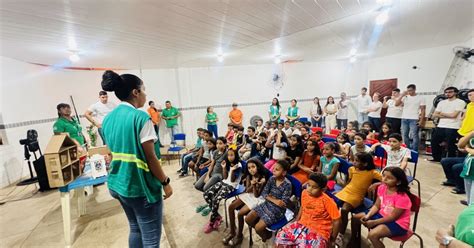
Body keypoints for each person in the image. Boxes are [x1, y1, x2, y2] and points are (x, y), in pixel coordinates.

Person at [100, 70, 172, 247]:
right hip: (139, 187)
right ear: (135, 92)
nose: (146, 95)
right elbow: (151, 158)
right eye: (144, 90)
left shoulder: (108, 118)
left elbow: (111, 151)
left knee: (135, 228)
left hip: (118, 183)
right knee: (150, 239)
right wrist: (165, 182)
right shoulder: (140, 118)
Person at [350, 167, 413, 248]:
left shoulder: (402, 198)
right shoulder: (382, 188)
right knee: (355, 218)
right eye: (383, 176)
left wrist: (374, 222)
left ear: (398, 182)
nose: (384, 179)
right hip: (382, 215)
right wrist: (368, 215)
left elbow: (393, 217)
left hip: (398, 223)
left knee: (373, 235)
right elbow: (376, 205)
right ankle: (354, 241)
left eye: (389, 178)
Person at [275, 172, 342, 248]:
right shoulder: (304, 193)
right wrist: (297, 221)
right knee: (280, 238)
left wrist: (333, 240)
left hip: (319, 231)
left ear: (323, 189)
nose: (309, 189)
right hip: (302, 224)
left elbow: (337, 220)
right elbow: (303, 207)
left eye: (314, 187)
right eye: (309, 185)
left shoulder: (328, 201)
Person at [334, 152, 382, 240]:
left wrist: (376, 184)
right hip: (347, 190)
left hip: (357, 195)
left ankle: (341, 233)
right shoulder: (352, 169)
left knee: (344, 210)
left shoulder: (372, 172)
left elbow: (385, 180)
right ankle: (334, 225)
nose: (353, 162)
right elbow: (349, 182)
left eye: (356, 161)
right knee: (333, 202)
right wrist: (341, 190)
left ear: (365, 163)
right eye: (354, 160)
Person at [245, 159, 293, 242]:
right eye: (274, 168)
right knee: (248, 219)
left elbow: (282, 203)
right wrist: (274, 199)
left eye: (277, 169)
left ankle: (266, 236)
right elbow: (264, 193)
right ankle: (264, 232)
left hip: (278, 210)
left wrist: (270, 197)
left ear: (284, 173)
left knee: (258, 228)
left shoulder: (287, 185)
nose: (273, 170)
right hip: (267, 204)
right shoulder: (272, 179)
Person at [224, 158, 267, 246]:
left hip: (257, 198)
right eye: (249, 168)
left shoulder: (262, 178)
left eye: (253, 167)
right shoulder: (248, 176)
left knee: (240, 213)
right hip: (248, 194)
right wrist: (253, 184)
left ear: (258, 167)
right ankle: (232, 232)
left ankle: (239, 235)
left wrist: (256, 185)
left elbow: (257, 195)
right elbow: (247, 190)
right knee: (231, 206)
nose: (251, 169)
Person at [202, 149, 242, 233]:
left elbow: (232, 180)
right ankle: (217, 215)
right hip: (224, 182)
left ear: (236, 155)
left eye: (232, 155)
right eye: (228, 155)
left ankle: (212, 222)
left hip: (232, 186)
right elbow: (224, 177)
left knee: (215, 199)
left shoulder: (238, 165)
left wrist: (233, 170)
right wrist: (224, 168)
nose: (230, 157)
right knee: (206, 194)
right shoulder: (227, 163)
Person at [431, 87, 466, 162]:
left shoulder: (460, 102)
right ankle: (437, 158)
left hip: (453, 126)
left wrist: (441, 113)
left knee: (451, 145)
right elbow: (434, 114)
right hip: (441, 125)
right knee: (434, 141)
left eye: (450, 92)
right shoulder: (441, 102)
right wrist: (448, 115)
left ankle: (450, 160)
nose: (448, 94)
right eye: (446, 92)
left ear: (455, 93)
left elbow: (454, 115)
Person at [395, 84, 426, 151]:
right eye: (408, 90)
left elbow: (423, 110)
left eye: (411, 90)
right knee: (404, 135)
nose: (409, 92)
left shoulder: (420, 98)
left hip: (414, 119)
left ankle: (415, 151)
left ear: (415, 89)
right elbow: (396, 104)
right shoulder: (405, 97)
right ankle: (407, 149)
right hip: (404, 118)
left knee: (414, 135)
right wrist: (402, 95)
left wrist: (421, 121)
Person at [459, 132, 474, 205]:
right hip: (469, 168)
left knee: (472, 201)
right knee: (469, 198)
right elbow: (460, 144)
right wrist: (472, 133)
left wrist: (467, 148)